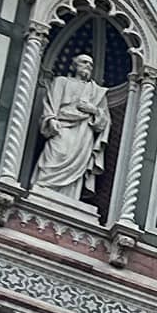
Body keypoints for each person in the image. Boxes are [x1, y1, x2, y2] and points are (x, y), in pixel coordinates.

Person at [31, 50, 113, 206]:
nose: (88, 66)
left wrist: (93, 110)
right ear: (75, 65)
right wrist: (51, 119)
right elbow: (50, 104)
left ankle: (70, 199)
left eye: (90, 64)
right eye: (84, 62)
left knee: (77, 167)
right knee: (56, 154)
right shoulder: (61, 82)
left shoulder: (97, 92)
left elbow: (104, 122)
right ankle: (43, 188)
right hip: (62, 127)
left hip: (83, 132)